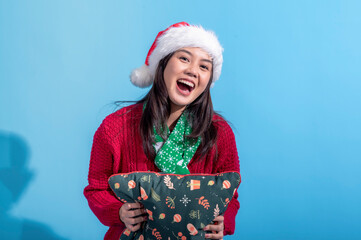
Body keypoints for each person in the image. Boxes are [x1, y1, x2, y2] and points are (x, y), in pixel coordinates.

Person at [84, 22, 241, 240]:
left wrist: (224, 222)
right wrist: (117, 212)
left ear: (208, 81)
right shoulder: (114, 127)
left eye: (204, 67)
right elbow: (96, 189)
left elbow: (229, 195)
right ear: (162, 64)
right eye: (184, 58)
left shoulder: (219, 132)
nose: (193, 71)